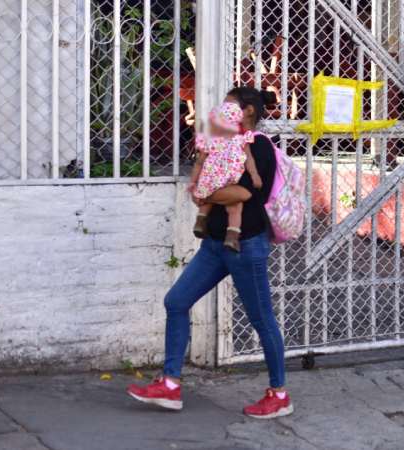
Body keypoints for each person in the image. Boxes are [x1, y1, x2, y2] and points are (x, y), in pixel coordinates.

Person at [127, 87, 293, 419]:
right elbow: (206, 176)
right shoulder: (218, 142)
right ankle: (170, 385)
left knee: (262, 319)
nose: (222, 110)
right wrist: (205, 189)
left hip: (246, 245)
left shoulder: (257, 145)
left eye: (230, 106)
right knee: (176, 301)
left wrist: (205, 191)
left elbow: (245, 191)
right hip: (215, 245)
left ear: (246, 112)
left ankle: (279, 394)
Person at [189, 101, 261, 252]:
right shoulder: (242, 138)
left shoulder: (211, 139)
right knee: (235, 206)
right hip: (231, 179)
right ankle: (232, 235)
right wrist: (254, 175)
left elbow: (199, 163)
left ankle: (201, 220)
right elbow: (249, 158)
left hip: (210, 178)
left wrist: (194, 182)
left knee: (207, 196)